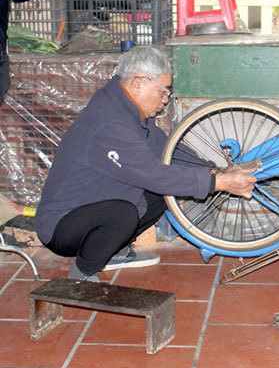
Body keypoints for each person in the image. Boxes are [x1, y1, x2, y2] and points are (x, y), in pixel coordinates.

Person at [35, 46, 257, 282]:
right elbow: (155, 175)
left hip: (95, 204)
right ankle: (83, 272)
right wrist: (219, 182)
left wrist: (214, 170)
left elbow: (167, 151)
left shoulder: (126, 108)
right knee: (123, 213)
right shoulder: (109, 122)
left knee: (163, 195)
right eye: (164, 91)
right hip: (61, 225)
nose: (165, 100)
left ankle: (113, 251)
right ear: (138, 83)